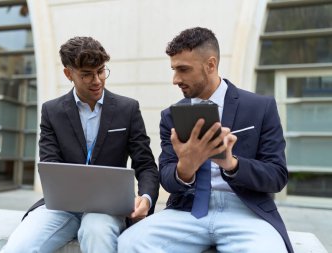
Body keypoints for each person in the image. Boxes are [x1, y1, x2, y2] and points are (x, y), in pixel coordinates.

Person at [118, 27, 294, 253]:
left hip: (245, 212)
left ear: (210, 65)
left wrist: (232, 164)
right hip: (188, 211)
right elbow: (167, 179)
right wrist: (185, 169)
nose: (175, 79)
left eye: (183, 69)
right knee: (129, 243)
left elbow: (277, 177)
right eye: (173, 69)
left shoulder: (260, 108)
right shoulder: (170, 116)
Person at [1, 36, 159, 253]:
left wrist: (147, 199)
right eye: (86, 74)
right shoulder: (51, 111)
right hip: (61, 207)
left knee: (96, 232)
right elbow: (50, 164)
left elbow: (146, 164)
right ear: (69, 74)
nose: (97, 80)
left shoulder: (127, 108)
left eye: (101, 71)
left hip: (107, 208)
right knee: (19, 247)